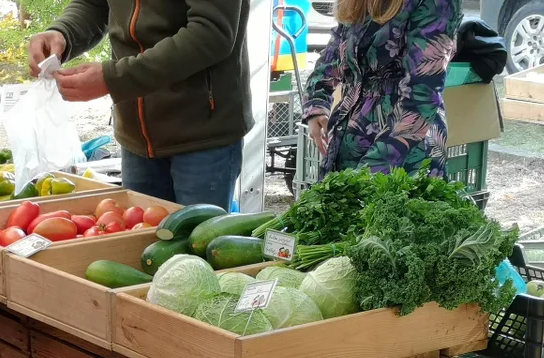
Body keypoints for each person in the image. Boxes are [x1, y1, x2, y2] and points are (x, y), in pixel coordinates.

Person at [27, 0, 252, 209]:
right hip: (136, 135)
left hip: (202, 133)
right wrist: (63, 32)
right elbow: (94, 4)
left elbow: (212, 32)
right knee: (139, 247)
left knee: (197, 246)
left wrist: (114, 79)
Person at [302, 0, 463, 178]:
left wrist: (370, 172)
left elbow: (423, 91)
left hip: (405, 149)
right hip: (349, 140)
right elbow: (335, 53)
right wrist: (316, 103)